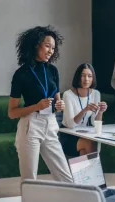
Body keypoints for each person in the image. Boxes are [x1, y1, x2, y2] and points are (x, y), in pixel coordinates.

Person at [8, 26, 72, 182]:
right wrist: (36, 106)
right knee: (29, 180)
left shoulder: (53, 71)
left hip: (50, 124)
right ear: (36, 45)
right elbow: (12, 112)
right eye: (47, 46)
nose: (51, 51)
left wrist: (60, 105)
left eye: (53, 48)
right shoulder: (21, 74)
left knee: (66, 178)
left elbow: (58, 99)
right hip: (31, 126)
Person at [59, 63, 107, 156]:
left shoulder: (96, 94)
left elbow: (94, 123)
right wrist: (84, 110)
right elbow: (71, 124)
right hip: (69, 135)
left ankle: (84, 171)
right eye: (83, 76)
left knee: (85, 150)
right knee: (89, 143)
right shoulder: (67, 95)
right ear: (78, 77)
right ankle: (93, 171)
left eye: (90, 76)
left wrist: (100, 111)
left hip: (85, 134)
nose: (86, 79)